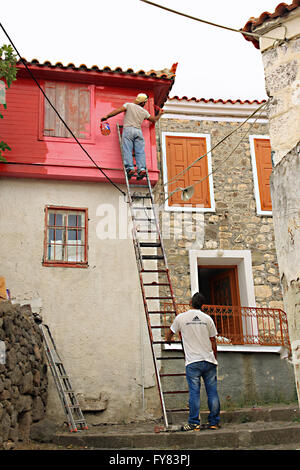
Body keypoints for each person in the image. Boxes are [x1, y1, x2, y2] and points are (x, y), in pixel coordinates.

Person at [166, 292, 221, 431]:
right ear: (202, 305)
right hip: (208, 361)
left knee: (194, 393)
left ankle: (194, 423)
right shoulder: (208, 319)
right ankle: (214, 422)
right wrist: (214, 356)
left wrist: (168, 341)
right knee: (212, 393)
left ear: (190, 302)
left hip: (193, 362)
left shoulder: (181, 318)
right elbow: (213, 340)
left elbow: (170, 333)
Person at [101, 93, 164, 180]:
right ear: (142, 103)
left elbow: (118, 110)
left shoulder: (128, 105)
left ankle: (130, 168)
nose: (145, 104)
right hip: (138, 131)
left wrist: (107, 116)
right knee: (140, 152)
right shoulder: (144, 112)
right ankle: (141, 169)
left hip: (128, 130)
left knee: (127, 149)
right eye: (145, 102)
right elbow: (153, 120)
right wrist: (160, 114)